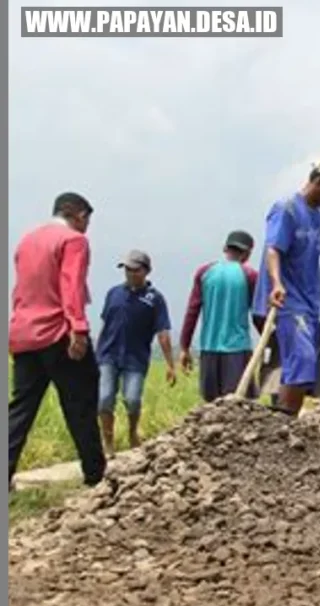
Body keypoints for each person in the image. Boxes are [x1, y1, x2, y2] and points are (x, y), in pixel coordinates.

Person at [9, 192, 108, 489]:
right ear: (77, 214)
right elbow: (71, 285)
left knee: (21, 409)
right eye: (87, 220)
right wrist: (78, 329)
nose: (87, 226)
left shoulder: (27, 240)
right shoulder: (73, 241)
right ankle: (95, 475)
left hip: (24, 334)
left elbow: (21, 290)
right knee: (81, 403)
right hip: (58, 334)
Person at [252, 157, 320, 416]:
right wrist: (276, 283)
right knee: (302, 358)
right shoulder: (286, 209)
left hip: (308, 300)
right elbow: (274, 250)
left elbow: (312, 259)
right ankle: (284, 421)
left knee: (302, 367)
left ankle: (285, 421)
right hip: (286, 298)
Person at [96, 250, 176, 455]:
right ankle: (108, 442)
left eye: (135, 270)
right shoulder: (114, 293)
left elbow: (163, 332)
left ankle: (132, 432)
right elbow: (105, 324)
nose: (130, 273)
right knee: (104, 398)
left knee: (132, 399)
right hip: (108, 354)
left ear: (146, 271)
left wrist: (170, 364)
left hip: (135, 358)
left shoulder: (154, 299)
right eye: (127, 269)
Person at [179, 230, 259, 402]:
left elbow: (192, 311)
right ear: (247, 253)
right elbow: (258, 314)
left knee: (212, 404)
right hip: (237, 349)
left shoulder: (205, 273)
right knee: (238, 403)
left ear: (225, 248)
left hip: (209, 348)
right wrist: (271, 341)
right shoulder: (249, 275)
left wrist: (185, 346)